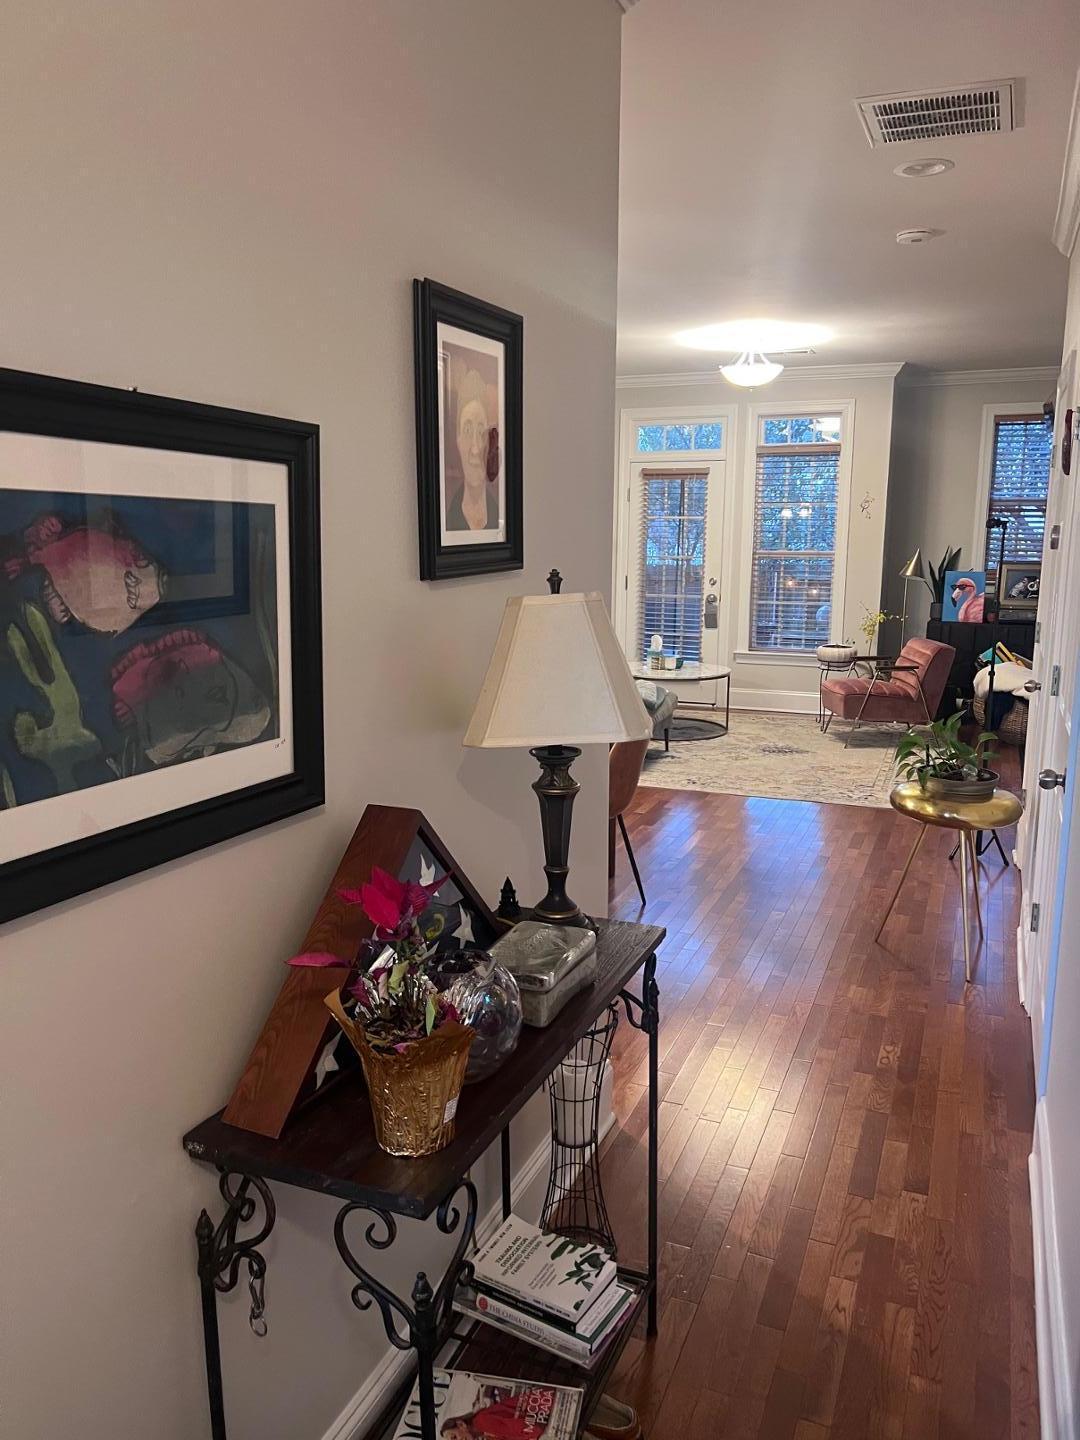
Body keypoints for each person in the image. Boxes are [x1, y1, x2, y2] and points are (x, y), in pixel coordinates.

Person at [446, 368, 499, 532]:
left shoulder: (500, 514)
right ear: (458, 440)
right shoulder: (449, 519)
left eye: (481, 431)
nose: (475, 449)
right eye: (468, 431)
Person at [440, 1385, 555, 1438]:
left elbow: (525, 1429)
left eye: (454, 1437)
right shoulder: (482, 1423)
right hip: (547, 1403)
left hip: (549, 1410)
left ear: (461, 1424)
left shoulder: (482, 1422)